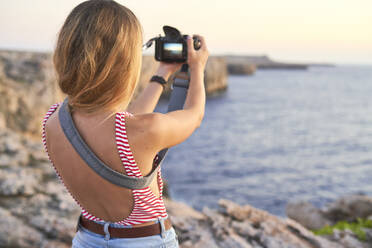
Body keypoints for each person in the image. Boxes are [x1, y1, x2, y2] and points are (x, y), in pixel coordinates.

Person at [41, 0, 209, 247]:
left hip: (88, 239)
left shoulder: (53, 122)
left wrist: (163, 73)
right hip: (145, 241)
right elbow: (194, 115)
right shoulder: (143, 131)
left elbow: (125, 125)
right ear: (125, 62)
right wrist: (198, 68)